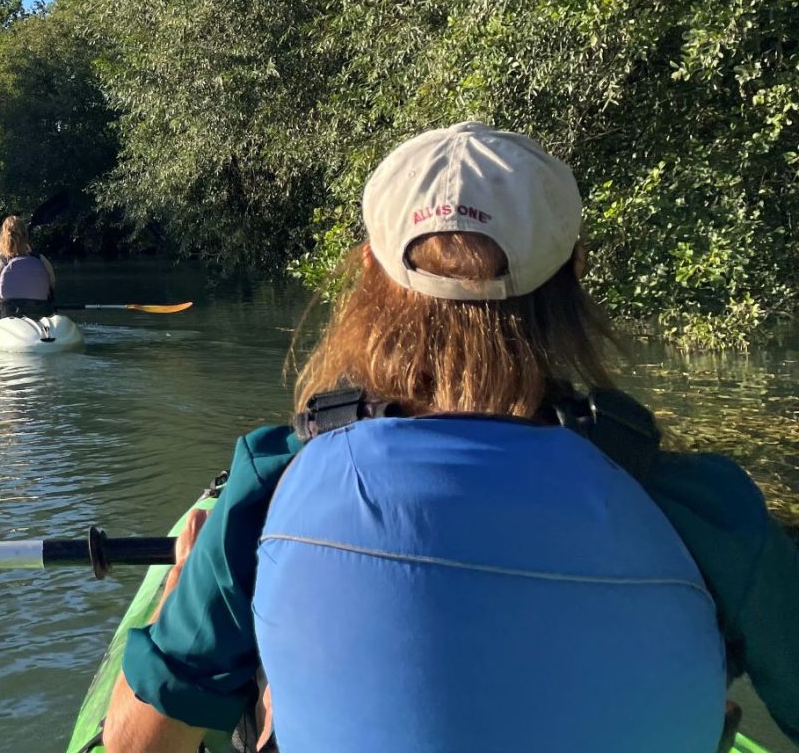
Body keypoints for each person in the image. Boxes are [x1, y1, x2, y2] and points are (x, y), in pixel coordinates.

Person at [103, 122, 799, 753]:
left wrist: (182, 589)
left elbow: (137, 746)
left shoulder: (271, 485)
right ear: (574, 271)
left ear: (370, 272)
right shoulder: (702, 509)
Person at [0, 214, 56, 320]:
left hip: (5, 313)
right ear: (26, 237)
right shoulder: (41, 260)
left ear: (2, 237)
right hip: (40, 312)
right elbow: (52, 285)